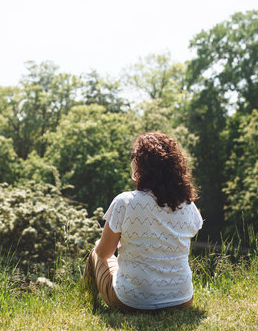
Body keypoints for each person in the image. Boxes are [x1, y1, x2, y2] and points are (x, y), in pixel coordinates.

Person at [83, 132, 203, 311]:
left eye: (134, 156)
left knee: (95, 251)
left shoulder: (125, 202)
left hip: (131, 301)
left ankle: (86, 301)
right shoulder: (188, 205)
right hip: (182, 300)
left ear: (141, 165)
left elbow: (104, 253)